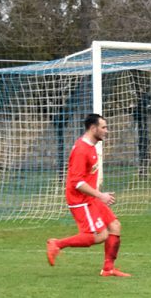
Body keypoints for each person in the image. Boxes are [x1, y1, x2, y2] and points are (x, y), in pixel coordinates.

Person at [46, 113, 130, 277]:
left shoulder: (90, 147)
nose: (107, 131)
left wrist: (97, 195)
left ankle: (108, 269)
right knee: (99, 236)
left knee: (115, 226)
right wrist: (100, 195)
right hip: (80, 200)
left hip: (90, 197)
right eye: (103, 127)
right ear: (93, 128)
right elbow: (77, 183)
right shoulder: (81, 150)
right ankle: (57, 244)